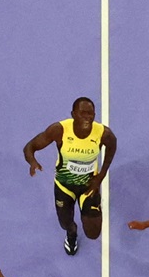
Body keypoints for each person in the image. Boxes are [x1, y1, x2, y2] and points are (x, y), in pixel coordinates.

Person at [22, 97, 119, 256]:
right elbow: (30, 147)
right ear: (73, 114)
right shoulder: (59, 130)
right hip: (64, 186)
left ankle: (88, 210)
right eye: (83, 113)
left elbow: (112, 147)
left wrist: (101, 176)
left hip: (89, 186)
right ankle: (72, 233)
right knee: (65, 223)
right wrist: (32, 162)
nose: (87, 117)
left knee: (93, 233)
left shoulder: (103, 133)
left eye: (91, 114)